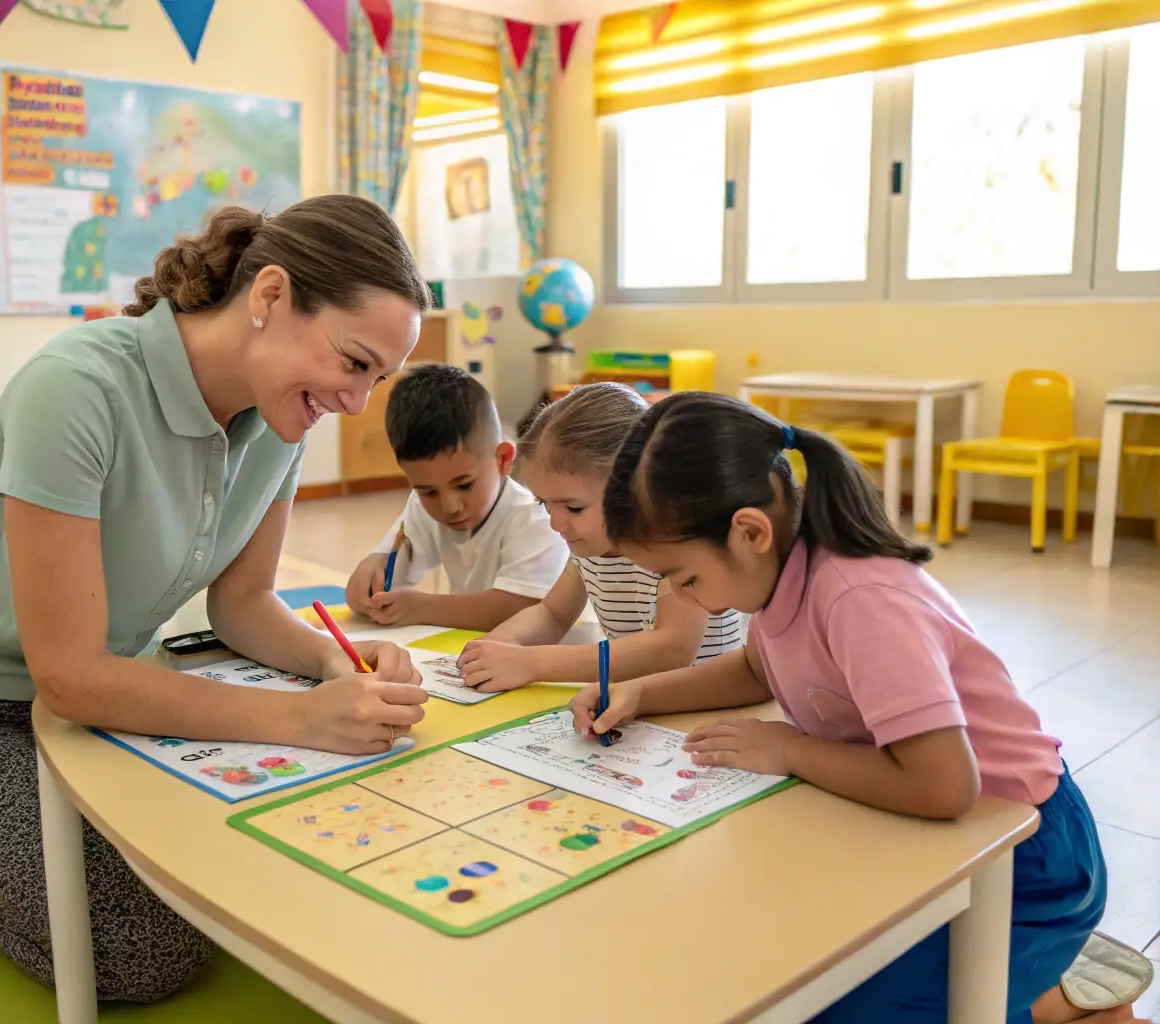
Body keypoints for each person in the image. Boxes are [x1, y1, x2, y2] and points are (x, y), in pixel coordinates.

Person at [0, 196, 434, 1003]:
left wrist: (335, 662)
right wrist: (302, 717)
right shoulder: (77, 387)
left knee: (256, 880)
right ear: (269, 297)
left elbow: (242, 604)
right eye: (353, 362)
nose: (357, 402)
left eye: (377, 377)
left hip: (105, 711)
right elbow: (68, 677)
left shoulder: (280, 421)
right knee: (148, 954)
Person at [571, 390, 1136, 1024]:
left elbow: (946, 786)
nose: (682, 597)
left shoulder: (858, 597)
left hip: (1025, 860)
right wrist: (645, 691)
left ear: (749, 531)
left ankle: (1066, 1005)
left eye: (686, 578)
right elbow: (756, 667)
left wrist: (789, 750)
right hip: (927, 830)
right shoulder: (782, 569)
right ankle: (1041, 992)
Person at [459, 383, 744, 692]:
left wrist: (532, 663)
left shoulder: (674, 545)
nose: (556, 523)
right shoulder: (590, 547)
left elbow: (672, 648)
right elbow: (552, 614)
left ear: (636, 487)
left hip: (703, 706)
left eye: (573, 507)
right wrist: (497, 645)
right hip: (637, 702)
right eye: (544, 503)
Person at [346, 364, 568, 631]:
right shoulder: (422, 508)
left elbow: (520, 608)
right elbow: (384, 577)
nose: (450, 507)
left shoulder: (535, 518)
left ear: (503, 459)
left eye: (464, 485)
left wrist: (422, 607)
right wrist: (368, 583)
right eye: (428, 491)